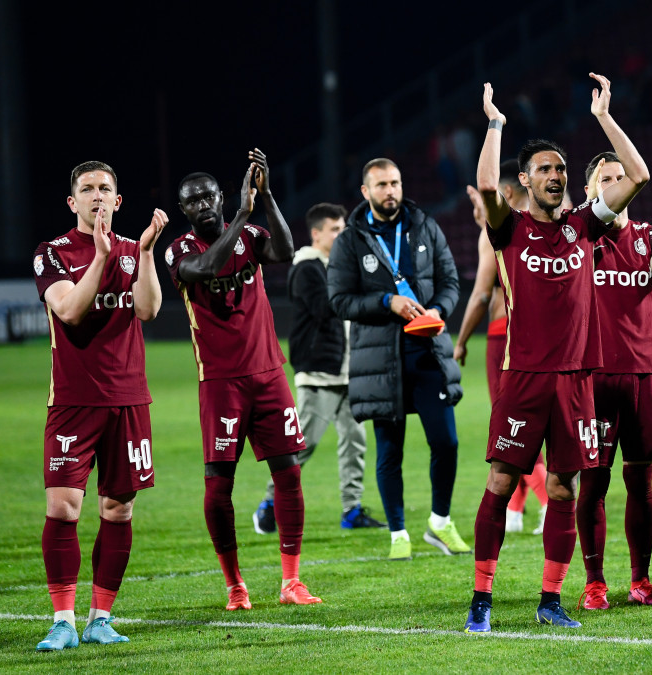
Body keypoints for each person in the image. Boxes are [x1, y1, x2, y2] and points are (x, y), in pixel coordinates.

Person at [465, 74, 650, 633]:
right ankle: (482, 600)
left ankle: (550, 599)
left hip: (575, 383)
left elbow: (638, 176)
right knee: (500, 484)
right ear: (525, 180)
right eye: (544, 169)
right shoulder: (509, 229)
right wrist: (496, 125)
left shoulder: (581, 227)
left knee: (566, 488)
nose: (554, 176)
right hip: (523, 378)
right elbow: (486, 187)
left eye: (560, 170)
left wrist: (603, 117)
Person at [165, 150, 322, 610]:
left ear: (218, 195)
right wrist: (239, 214)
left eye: (209, 197)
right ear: (184, 210)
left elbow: (286, 251)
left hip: (269, 372)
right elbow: (210, 267)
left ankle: (291, 581)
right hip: (220, 382)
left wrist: (266, 195)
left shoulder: (252, 233)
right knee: (219, 485)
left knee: (289, 474)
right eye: (193, 202)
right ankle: (235, 584)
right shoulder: (180, 251)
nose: (203, 206)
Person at [32, 162, 167, 650]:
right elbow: (68, 309)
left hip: (129, 400)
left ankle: (100, 618)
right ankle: (63, 620)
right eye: (86, 189)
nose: (96, 196)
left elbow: (148, 309)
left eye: (104, 189)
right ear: (73, 203)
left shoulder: (134, 250)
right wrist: (99, 259)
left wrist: (146, 252)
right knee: (64, 508)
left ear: (118, 200)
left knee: (118, 509)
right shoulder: (52, 253)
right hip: (72, 400)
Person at [327, 157, 468, 561]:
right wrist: (387, 301)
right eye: (382, 185)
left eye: (396, 182)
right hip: (382, 363)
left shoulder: (424, 226)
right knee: (391, 451)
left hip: (428, 355)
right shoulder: (349, 240)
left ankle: (440, 523)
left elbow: (450, 281)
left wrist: (438, 309)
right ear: (365, 192)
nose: (391, 191)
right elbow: (339, 300)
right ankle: (398, 532)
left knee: (447, 441)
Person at [575, 152, 652, 611]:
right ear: (590, 191)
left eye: (621, 178)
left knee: (641, 484)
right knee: (593, 484)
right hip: (593, 379)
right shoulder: (576, 239)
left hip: (644, 375)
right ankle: (594, 584)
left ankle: (641, 580)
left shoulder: (643, 236)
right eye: (606, 179)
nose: (617, 185)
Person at [253, 203, 382, 535]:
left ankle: (352, 509)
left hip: (346, 370)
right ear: (316, 234)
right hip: (319, 371)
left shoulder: (334, 266)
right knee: (303, 443)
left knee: (355, 440)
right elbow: (327, 309)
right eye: (335, 230)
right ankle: (269, 504)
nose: (341, 236)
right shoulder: (307, 267)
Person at [456, 162, 551, 536]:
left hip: (503, 337)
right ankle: (515, 507)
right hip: (539, 338)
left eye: (483, 201)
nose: (479, 211)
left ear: (506, 194)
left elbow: (481, 295)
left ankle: (545, 502)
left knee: (511, 425)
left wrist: (460, 341)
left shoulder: (496, 232)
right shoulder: (544, 229)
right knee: (524, 421)